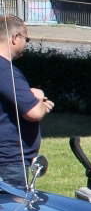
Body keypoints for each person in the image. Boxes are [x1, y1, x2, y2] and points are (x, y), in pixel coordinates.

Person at [0, 15, 55, 187]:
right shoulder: (4, 70)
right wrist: (38, 98)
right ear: (15, 38)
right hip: (9, 164)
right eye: (27, 38)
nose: (27, 43)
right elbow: (34, 112)